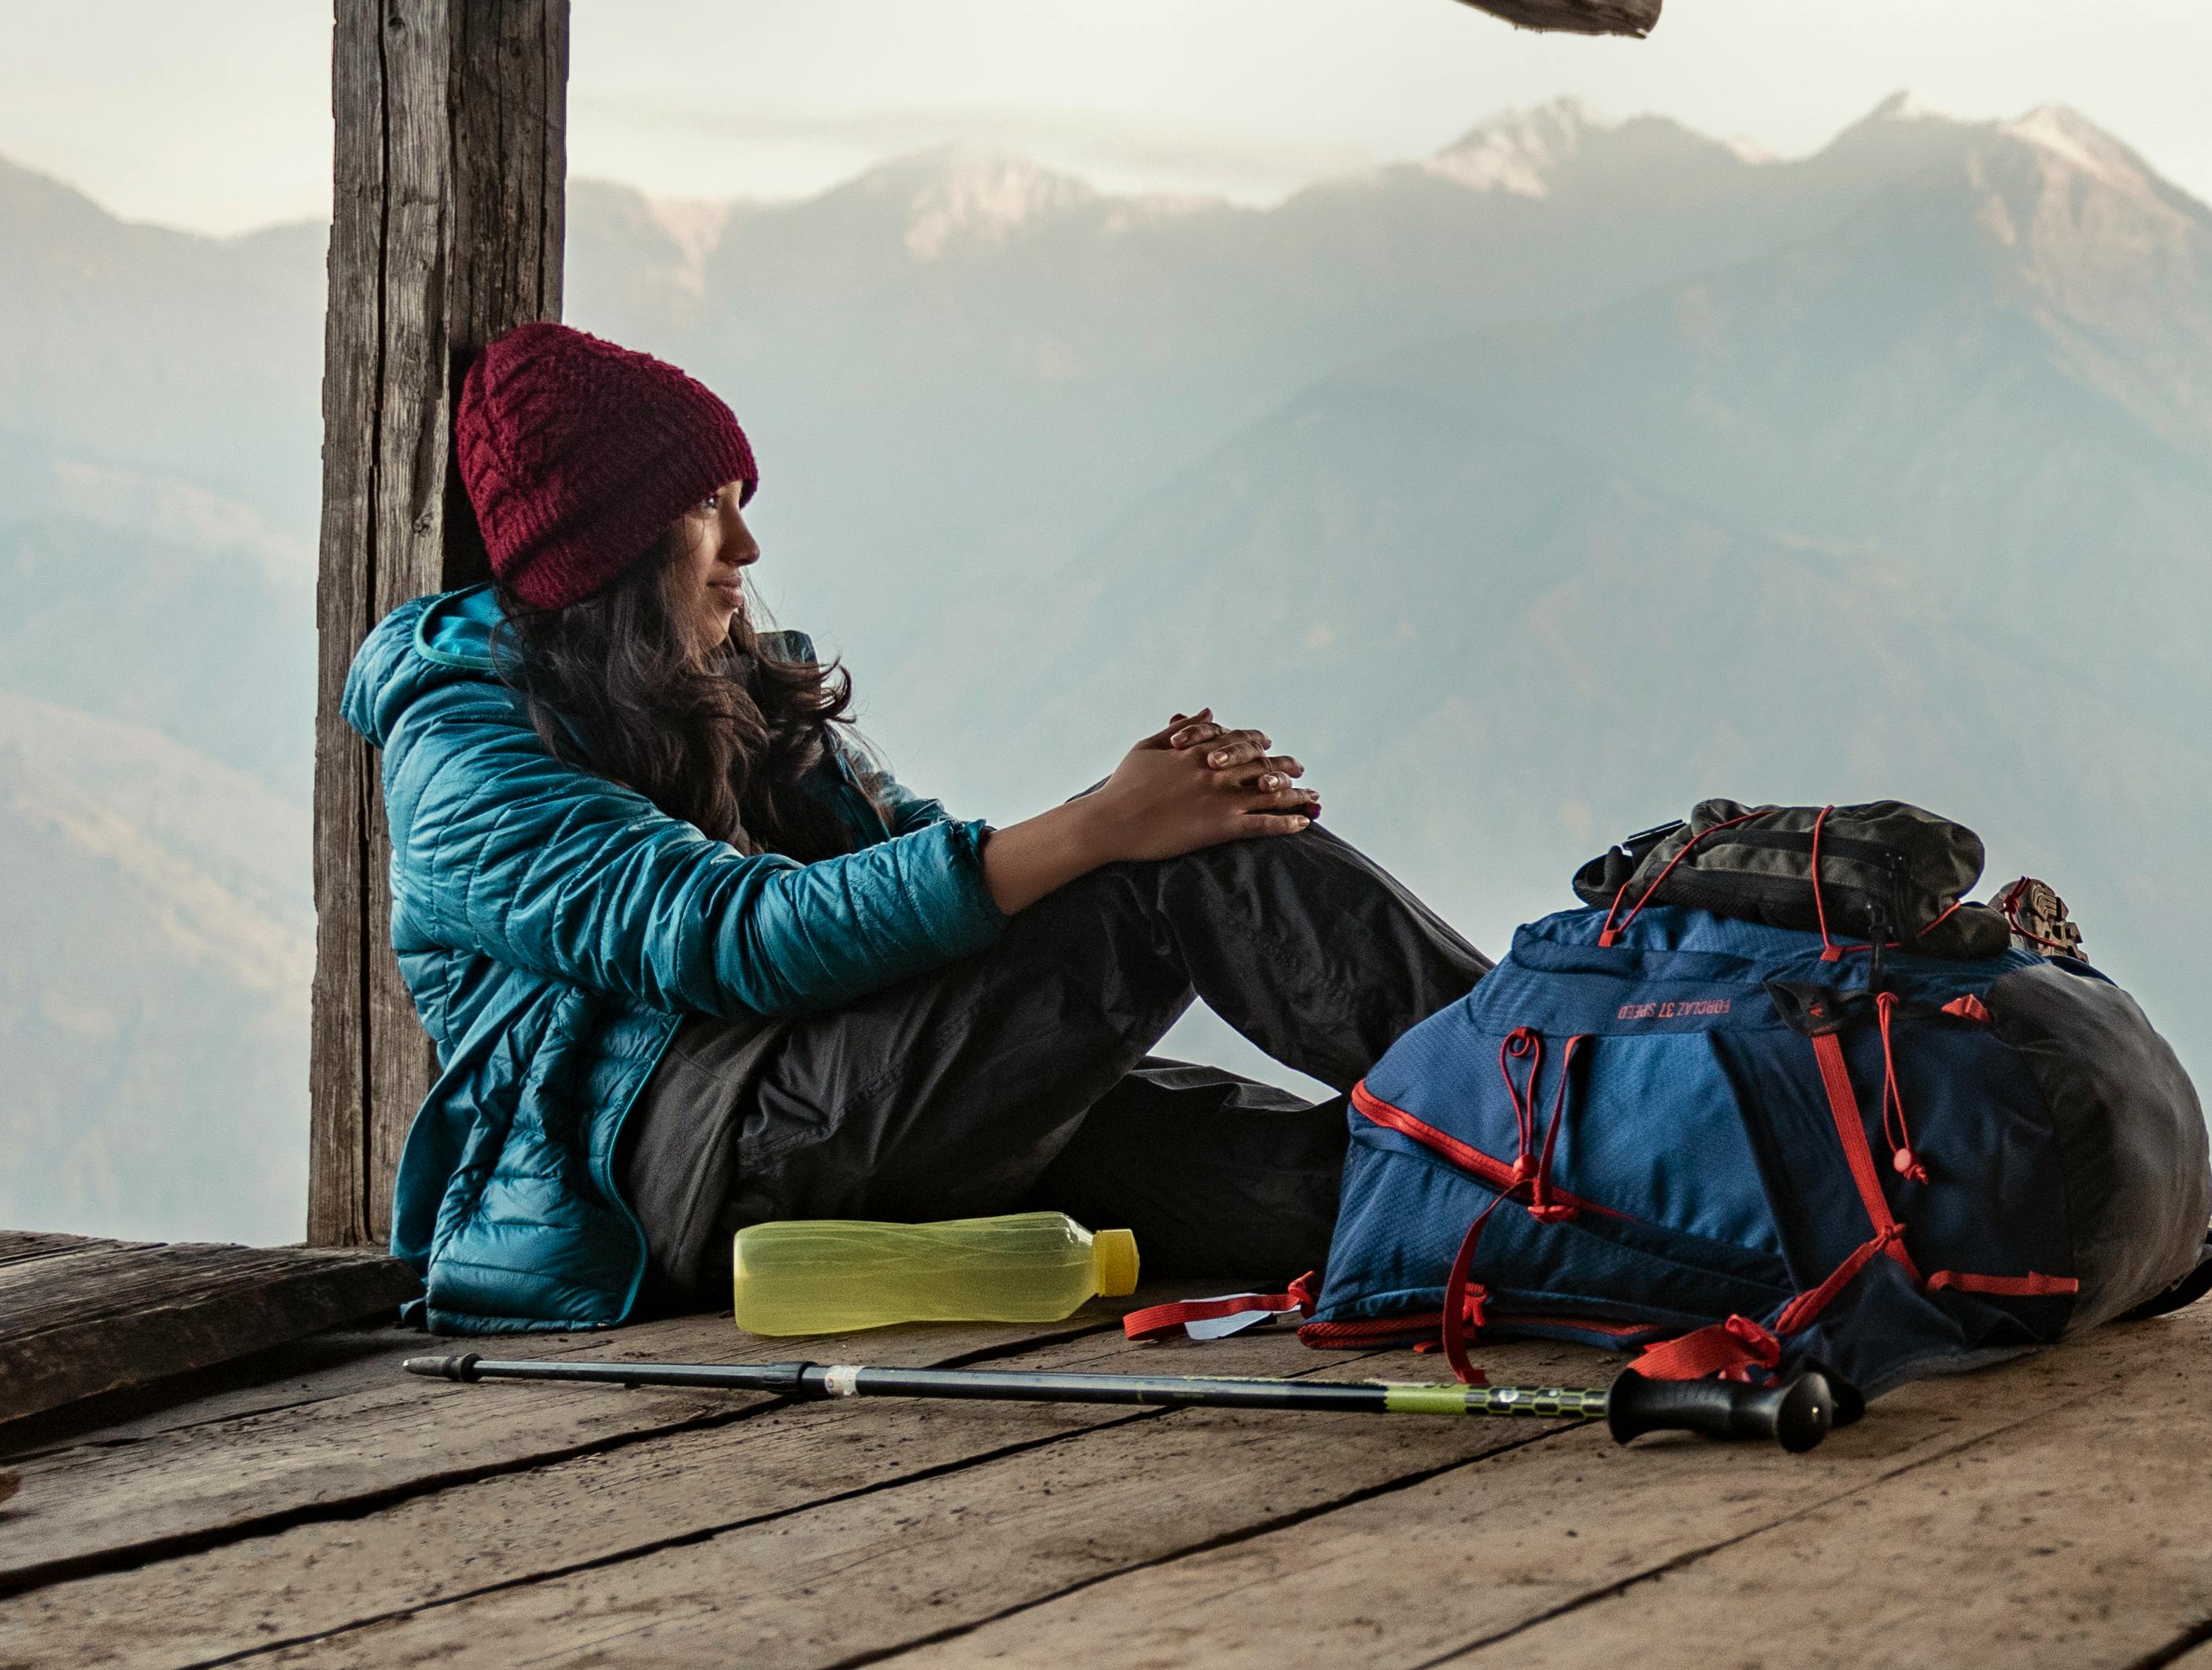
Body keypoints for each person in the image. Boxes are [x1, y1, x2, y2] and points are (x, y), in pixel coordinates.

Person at [338, 319, 1490, 1331]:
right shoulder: (465, 756)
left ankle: (1588, 1198)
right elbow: (732, 934)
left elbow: (894, 865)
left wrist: (1117, 813)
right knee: (1161, 872)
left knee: (1313, 1180)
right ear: (611, 548)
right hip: (674, 1165)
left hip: (827, 1100)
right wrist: (1104, 829)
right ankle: (1582, 1105)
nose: (745, 550)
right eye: (704, 510)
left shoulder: (700, 680)